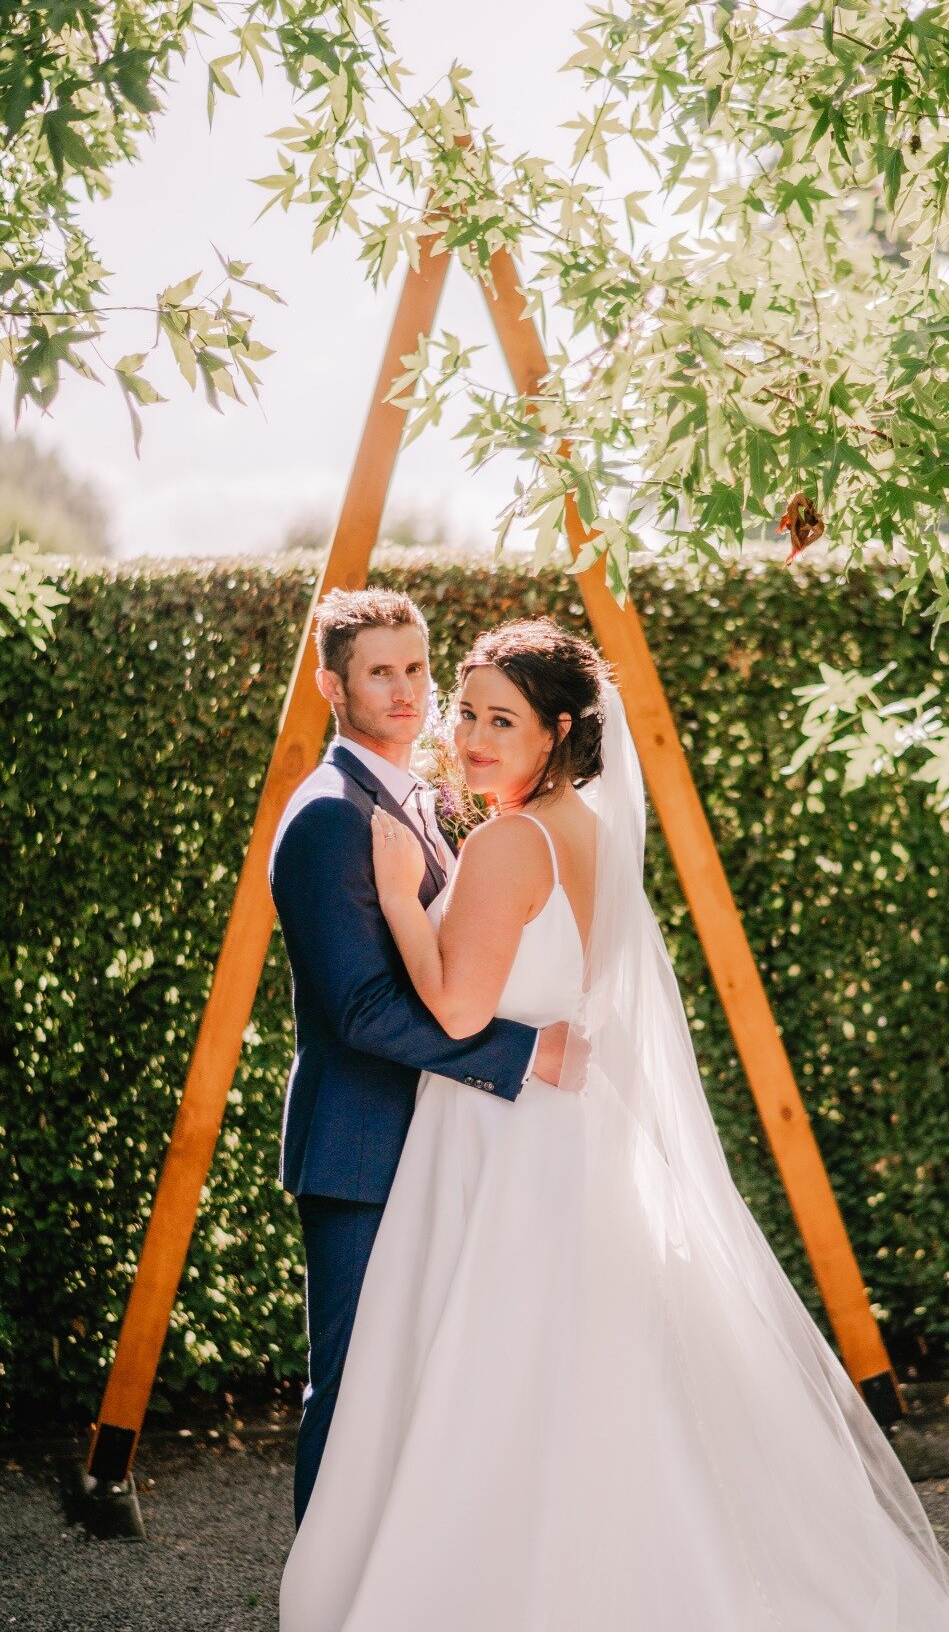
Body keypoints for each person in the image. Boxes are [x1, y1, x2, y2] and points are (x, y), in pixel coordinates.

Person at [279, 614, 949, 1631]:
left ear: (559, 731)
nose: (472, 736)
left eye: (502, 720)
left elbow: (453, 1009)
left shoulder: (503, 841)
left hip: (502, 1148)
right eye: (469, 713)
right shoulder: (594, 828)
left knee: (490, 1385)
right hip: (561, 1135)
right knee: (575, 1386)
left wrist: (406, 900)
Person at [268, 589, 581, 1528]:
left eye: (415, 668)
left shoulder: (426, 802)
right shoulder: (329, 814)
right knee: (354, 1389)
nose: (406, 691)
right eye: (379, 673)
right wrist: (525, 1054)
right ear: (332, 685)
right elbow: (363, 1009)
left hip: (436, 1146)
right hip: (362, 1152)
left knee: (423, 1393)